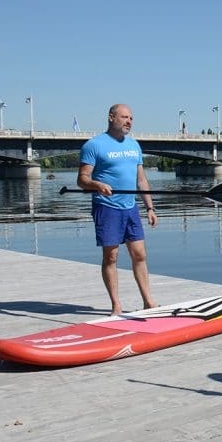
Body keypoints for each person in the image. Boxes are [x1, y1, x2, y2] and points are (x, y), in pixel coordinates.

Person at [78, 104, 158, 315]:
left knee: (139, 254)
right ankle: (116, 305)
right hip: (107, 208)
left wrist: (150, 207)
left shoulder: (134, 145)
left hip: (131, 208)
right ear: (111, 117)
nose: (129, 121)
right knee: (111, 257)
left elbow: (141, 180)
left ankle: (148, 301)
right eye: (124, 117)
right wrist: (97, 185)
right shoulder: (94, 145)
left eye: (131, 118)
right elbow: (82, 179)